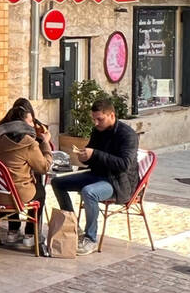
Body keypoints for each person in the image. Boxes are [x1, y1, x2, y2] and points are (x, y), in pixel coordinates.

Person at [51, 97, 139, 255]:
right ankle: (73, 225)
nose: (96, 123)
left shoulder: (128, 135)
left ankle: (90, 238)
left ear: (112, 115)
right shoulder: (97, 131)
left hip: (118, 182)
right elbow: (91, 154)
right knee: (57, 182)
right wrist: (83, 156)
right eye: (94, 119)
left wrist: (95, 154)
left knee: (89, 192)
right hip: (97, 174)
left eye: (100, 119)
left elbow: (124, 165)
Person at [0, 102, 52, 248]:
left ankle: (12, 232)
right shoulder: (29, 143)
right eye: (30, 122)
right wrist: (45, 143)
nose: (32, 125)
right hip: (16, 195)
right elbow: (44, 167)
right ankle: (30, 234)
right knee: (40, 191)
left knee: (7, 184)